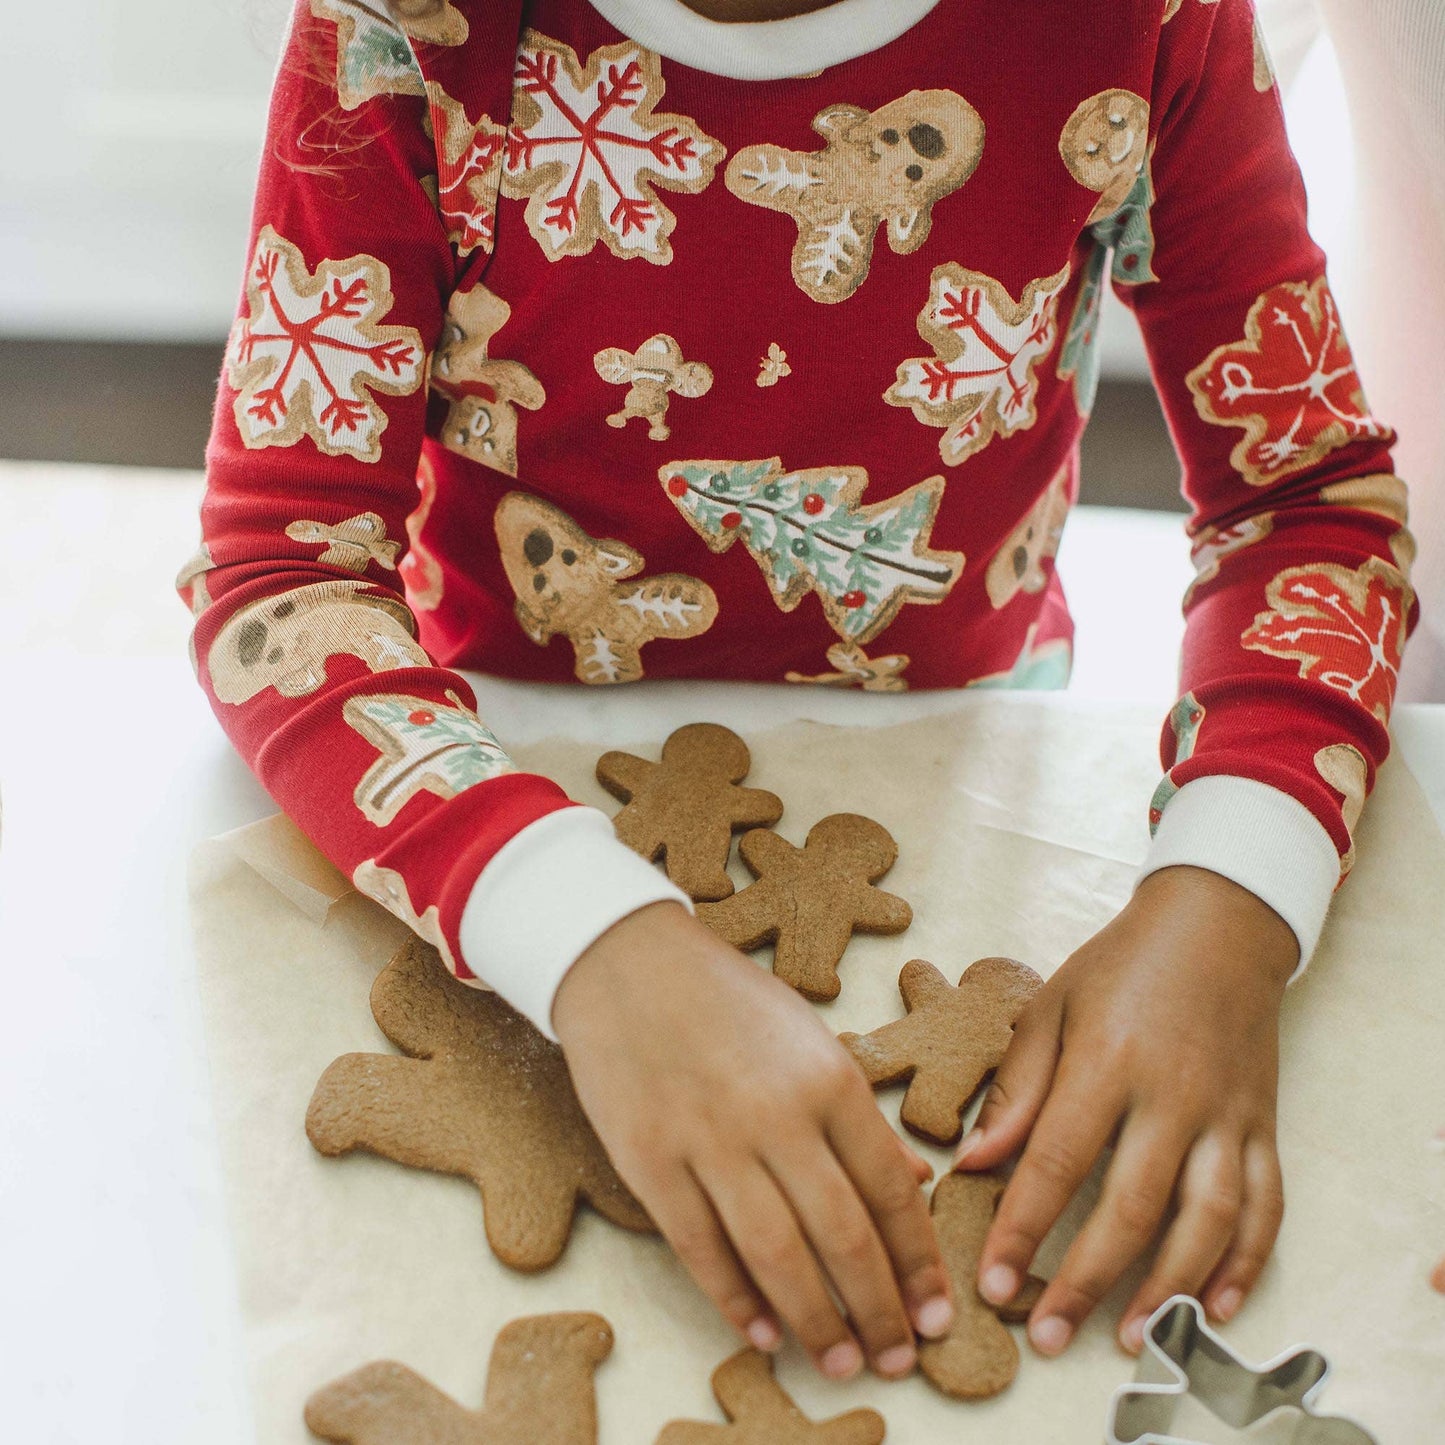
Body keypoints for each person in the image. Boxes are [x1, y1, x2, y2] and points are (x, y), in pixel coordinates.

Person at [179, 0, 1419, 1382]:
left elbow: (1304, 507)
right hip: (487, 762)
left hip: (971, 743)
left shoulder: (1143, 23)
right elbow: (283, 579)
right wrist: (587, 937)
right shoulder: (407, 29)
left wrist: (1230, 896)